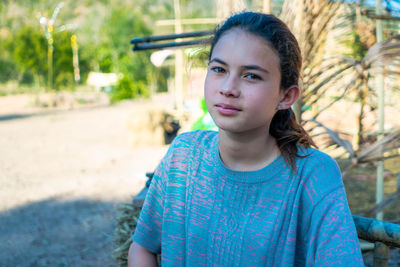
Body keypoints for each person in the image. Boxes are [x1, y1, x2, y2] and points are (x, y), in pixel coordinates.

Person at [128, 11, 364, 266]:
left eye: (251, 75)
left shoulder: (312, 176)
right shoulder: (183, 158)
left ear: (286, 96)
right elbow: (141, 248)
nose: (228, 88)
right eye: (219, 69)